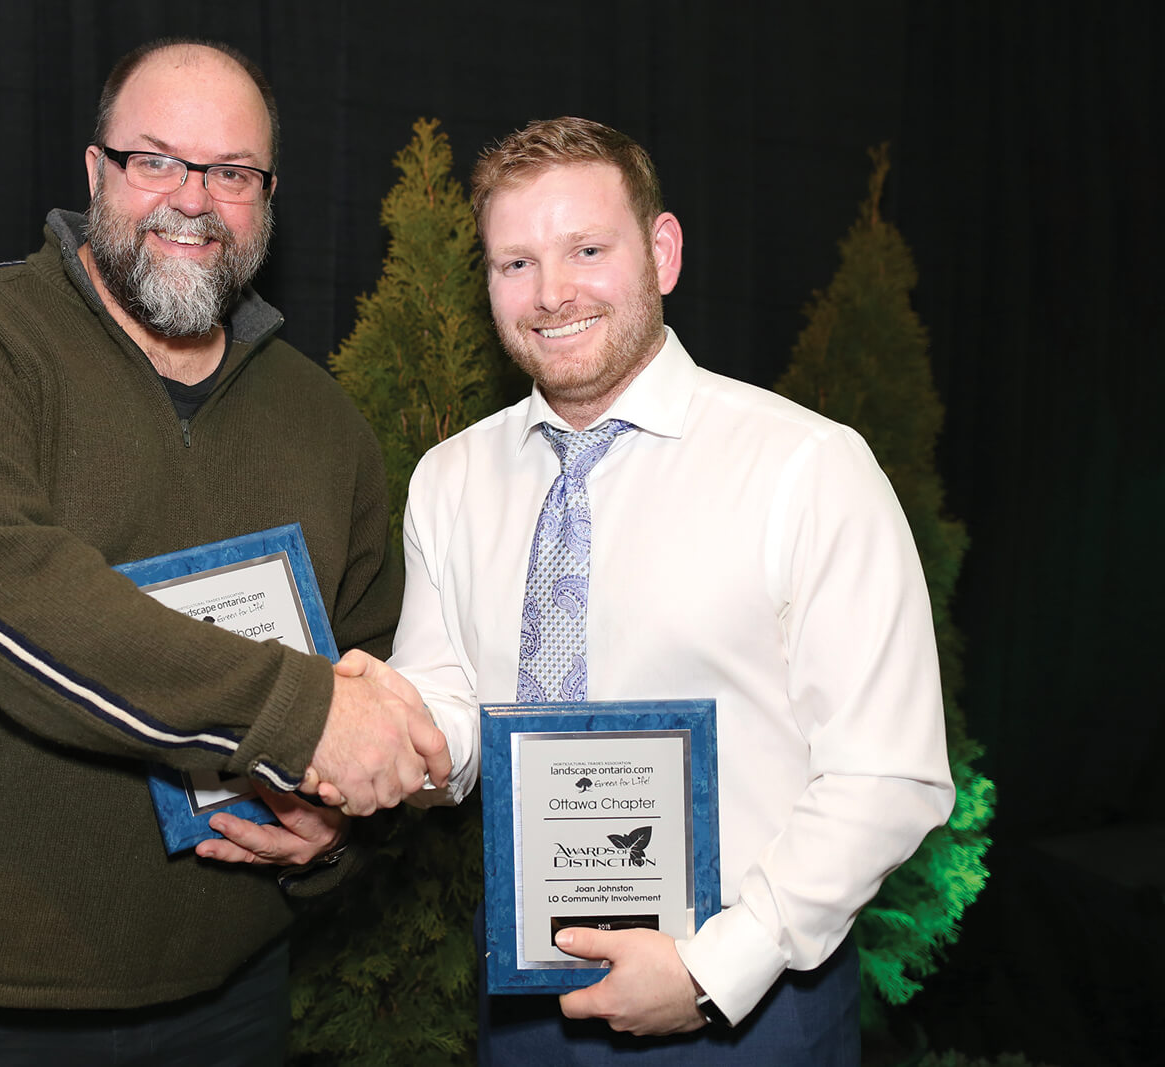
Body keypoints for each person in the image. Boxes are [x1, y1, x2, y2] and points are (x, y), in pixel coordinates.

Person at [0, 37, 446, 1066]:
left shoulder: (324, 422)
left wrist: (337, 834)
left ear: (265, 201)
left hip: (228, 994)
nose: (192, 199)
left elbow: (371, 672)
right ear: (94, 171)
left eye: (231, 173)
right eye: (155, 160)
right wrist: (298, 716)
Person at [388, 117, 955, 1065]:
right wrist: (374, 735)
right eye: (515, 262)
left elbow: (888, 775)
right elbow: (451, 705)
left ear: (662, 252)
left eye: (587, 250)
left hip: (749, 1008)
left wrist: (710, 969)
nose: (552, 292)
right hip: (523, 1002)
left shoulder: (807, 469)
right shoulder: (449, 480)